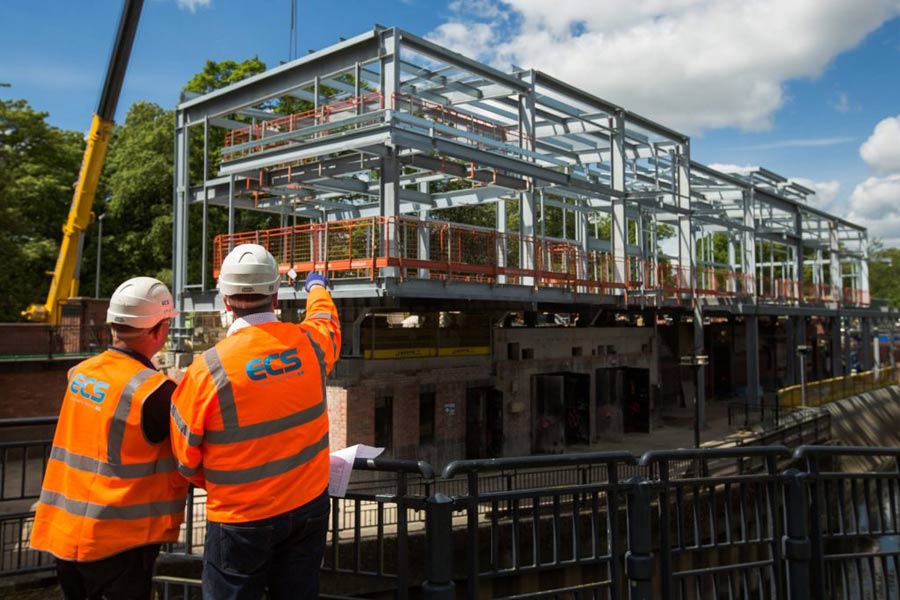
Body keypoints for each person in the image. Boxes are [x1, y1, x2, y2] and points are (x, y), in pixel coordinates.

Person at [170, 243, 340, 600]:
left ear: (226, 302)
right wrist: (316, 286)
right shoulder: (310, 345)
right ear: (276, 297)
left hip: (239, 518)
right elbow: (326, 320)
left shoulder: (206, 370)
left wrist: (222, 481)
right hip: (307, 507)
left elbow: (185, 460)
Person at [30, 277, 188, 600]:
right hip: (119, 545)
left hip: (66, 536)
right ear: (158, 332)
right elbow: (191, 451)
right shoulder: (155, 393)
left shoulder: (80, 374)